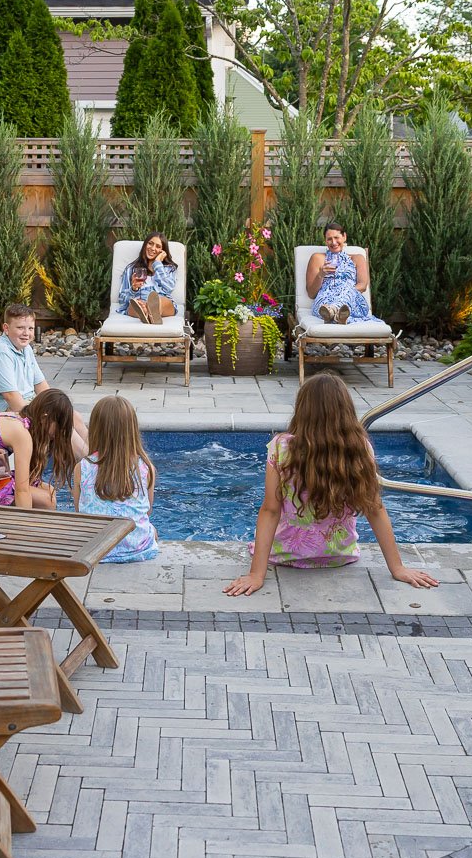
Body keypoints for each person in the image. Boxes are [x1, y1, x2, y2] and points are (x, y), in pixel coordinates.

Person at [222, 374, 439, 596]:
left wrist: (256, 575)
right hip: (340, 555)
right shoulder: (360, 448)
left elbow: (270, 510)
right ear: (346, 410)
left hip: (287, 555)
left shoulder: (281, 447)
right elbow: (375, 508)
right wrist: (397, 568)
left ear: (302, 409)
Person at [0, 303, 87, 451]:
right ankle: (87, 466)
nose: (26, 333)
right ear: (6, 328)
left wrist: (56, 406)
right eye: (20, 328)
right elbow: (11, 397)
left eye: (30, 328)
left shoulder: (25, 349)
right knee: (56, 424)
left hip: (24, 404)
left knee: (72, 416)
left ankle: (96, 458)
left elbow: (41, 385)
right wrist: (43, 415)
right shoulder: (0, 352)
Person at [73, 395, 160, 562]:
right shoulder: (145, 467)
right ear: (132, 429)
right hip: (136, 548)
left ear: (96, 429)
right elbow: (147, 510)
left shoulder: (82, 467)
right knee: (152, 529)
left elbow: (80, 511)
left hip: (93, 550)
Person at [306, 222, 372, 325]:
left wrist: (343, 292)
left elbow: (362, 286)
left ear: (344, 237)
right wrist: (321, 275)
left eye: (337, 237)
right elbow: (311, 293)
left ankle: (333, 312)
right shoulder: (318, 258)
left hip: (350, 298)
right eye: (329, 239)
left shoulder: (358, 258)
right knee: (325, 308)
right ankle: (338, 316)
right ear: (325, 241)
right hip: (325, 301)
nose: (333, 242)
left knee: (347, 296)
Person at [116, 232, 179, 323]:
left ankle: (151, 312)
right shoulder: (131, 269)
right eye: (150, 243)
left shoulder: (168, 268)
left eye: (158, 246)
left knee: (159, 302)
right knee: (134, 305)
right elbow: (122, 300)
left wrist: (157, 263)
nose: (153, 248)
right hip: (139, 301)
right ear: (145, 245)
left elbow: (168, 289)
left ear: (163, 251)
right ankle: (146, 313)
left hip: (161, 301)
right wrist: (133, 289)